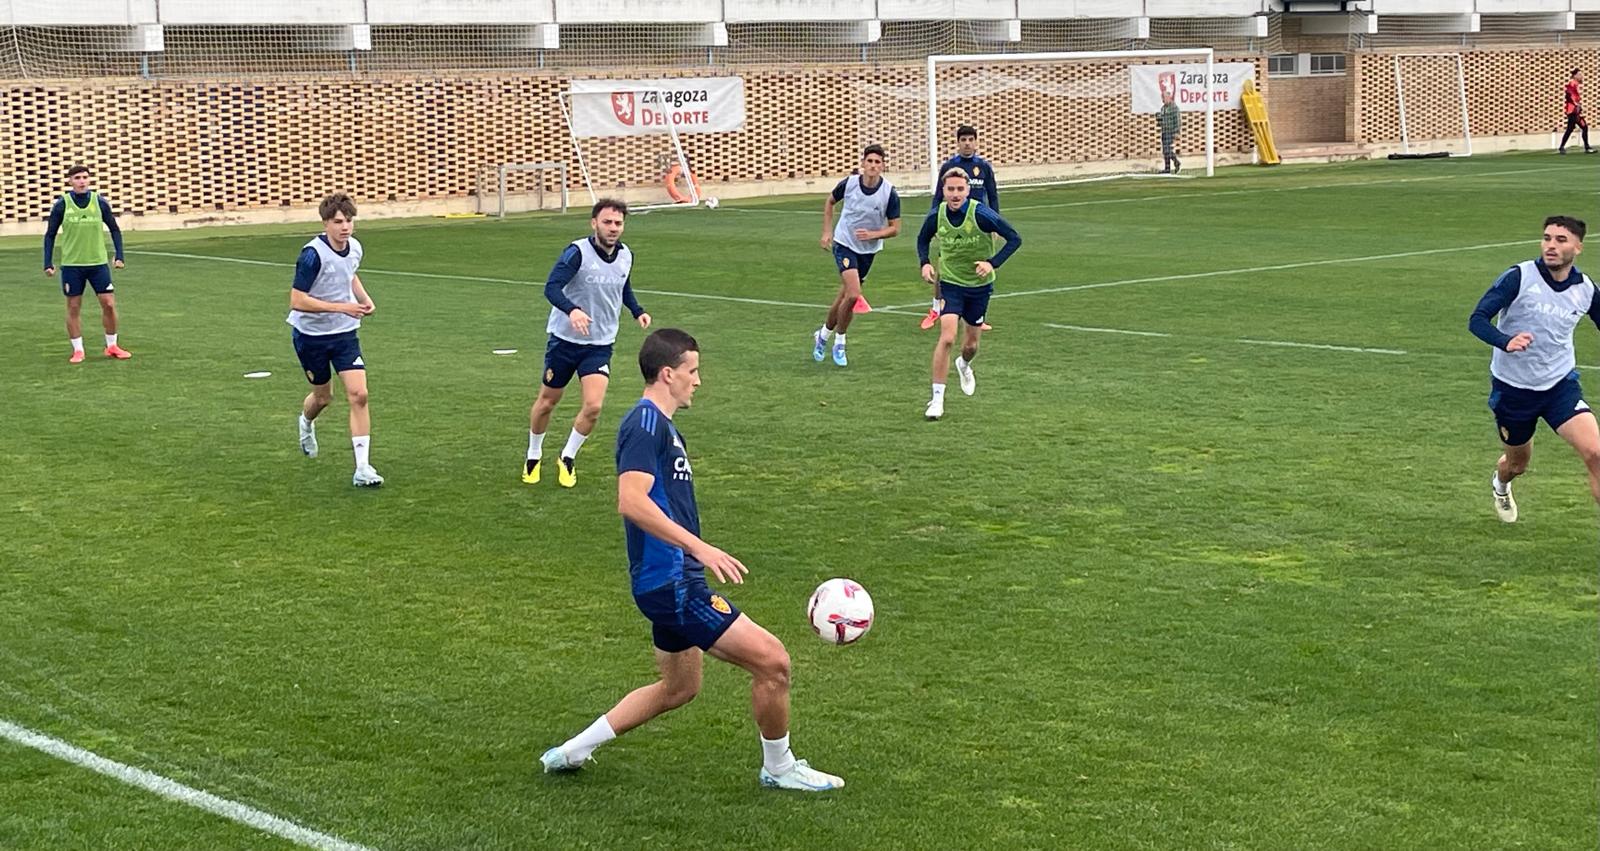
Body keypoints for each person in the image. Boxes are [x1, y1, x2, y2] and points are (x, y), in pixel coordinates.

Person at [540, 328, 844, 792]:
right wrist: (698, 548)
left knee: (679, 688)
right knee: (774, 663)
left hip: (667, 582)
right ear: (668, 374)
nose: (698, 381)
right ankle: (779, 768)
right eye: (692, 371)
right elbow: (631, 500)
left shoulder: (661, 426)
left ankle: (572, 751)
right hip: (674, 582)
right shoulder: (644, 425)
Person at [1468, 215, 1600, 521]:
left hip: (1560, 387)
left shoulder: (1585, 289)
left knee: (1596, 453)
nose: (1551, 245)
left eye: (1561, 240)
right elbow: (1477, 319)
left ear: (1578, 247)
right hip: (1513, 391)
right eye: (1547, 238)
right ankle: (1501, 484)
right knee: (1517, 465)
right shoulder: (1519, 277)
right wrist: (1505, 341)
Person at [524, 198, 651, 488]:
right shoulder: (577, 253)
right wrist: (572, 311)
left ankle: (567, 457)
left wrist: (637, 310)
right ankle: (533, 454)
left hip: (599, 345)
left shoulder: (626, 256)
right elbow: (551, 287)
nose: (613, 228)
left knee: (593, 406)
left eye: (618, 223)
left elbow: (623, 286)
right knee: (547, 402)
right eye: (607, 222)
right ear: (594, 223)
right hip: (564, 342)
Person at [288, 193, 383, 487]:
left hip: (344, 334)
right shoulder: (312, 255)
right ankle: (306, 423)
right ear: (325, 223)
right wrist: (342, 306)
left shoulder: (355, 248)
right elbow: (297, 300)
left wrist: (364, 299)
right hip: (311, 337)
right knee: (323, 397)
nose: (345, 227)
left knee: (359, 394)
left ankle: (363, 468)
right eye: (338, 222)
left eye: (349, 221)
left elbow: (349, 274)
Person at [917, 169, 1022, 421]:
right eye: (950, 189)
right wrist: (925, 263)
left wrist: (992, 263)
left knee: (971, 345)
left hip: (979, 287)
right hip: (951, 284)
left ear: (967, 190)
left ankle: (964, 364)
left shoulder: (981, 214)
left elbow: (1014, 238)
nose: (955, 194)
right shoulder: (937, 215)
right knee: (947, 337)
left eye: (960, 189)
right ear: (943, 191)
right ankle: (937, 399)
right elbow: (922, 239)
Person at [814, 144, 900, 368]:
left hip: (868, 251)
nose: (873, 165)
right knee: (853, 294)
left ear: (883, 166)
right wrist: (827, 231)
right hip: (845, 243)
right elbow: (830, 201)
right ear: (863, 163)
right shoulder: (850, 184)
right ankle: (840, 342)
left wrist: (874, 234)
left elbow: (895, 228)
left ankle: (823, 335)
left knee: (844, 297)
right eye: (869, 161)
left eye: (877, 162)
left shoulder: (889, 193)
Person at [43, 165, 129, 363]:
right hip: (72, 265)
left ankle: (112, 345)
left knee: (109, 304)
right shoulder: (62, 205)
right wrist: (47, 262)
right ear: (70, 181)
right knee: (73, 306)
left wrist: (119, 255)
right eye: (77, 178)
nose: (82, 181)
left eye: (84, 177)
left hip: (98, 264)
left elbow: (114, 229)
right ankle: (78, 350)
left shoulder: (99, 202)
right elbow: (50, 234)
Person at [924, 125, 1000, 330]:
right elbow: (938, 197)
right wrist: (934, 221)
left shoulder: (983, 167)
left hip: (978, 225)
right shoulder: (950, 166)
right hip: (952, 223)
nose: (967, 143)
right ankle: (936, 308)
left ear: (976, 142)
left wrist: (995, 223)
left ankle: (977, 317)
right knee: (945, 264)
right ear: (958, 143)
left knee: (982, 264)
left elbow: (992, 195)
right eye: (963, 139)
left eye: (970, 139)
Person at [1558, 68, 1593, 155]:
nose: (1581, 76)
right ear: (1575, 76)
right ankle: (1562, 147)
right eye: (1579, 74)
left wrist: (1578, 105)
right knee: (1573, 128)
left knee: (1581, 127)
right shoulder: (1572, 83)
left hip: (1575, 111)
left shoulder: (1576, 84)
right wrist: (1576, 104)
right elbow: (1568, 95)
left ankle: (1586, 147)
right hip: (1572, 111)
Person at [1157, 91, 1183, 174]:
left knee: (1167, 150)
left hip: (1171, 132)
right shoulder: (1163, 108)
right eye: (1162, 98)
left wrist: (1177, 132)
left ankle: (1177, 162)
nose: (1163, 100)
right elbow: (1161, 122)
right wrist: (1159, 119)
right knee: (1165, 151)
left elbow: (1177, 120)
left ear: (1169, 97)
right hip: (1164, 131)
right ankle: (1167, 168)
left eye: (1164, 98)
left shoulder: (1174, 108)